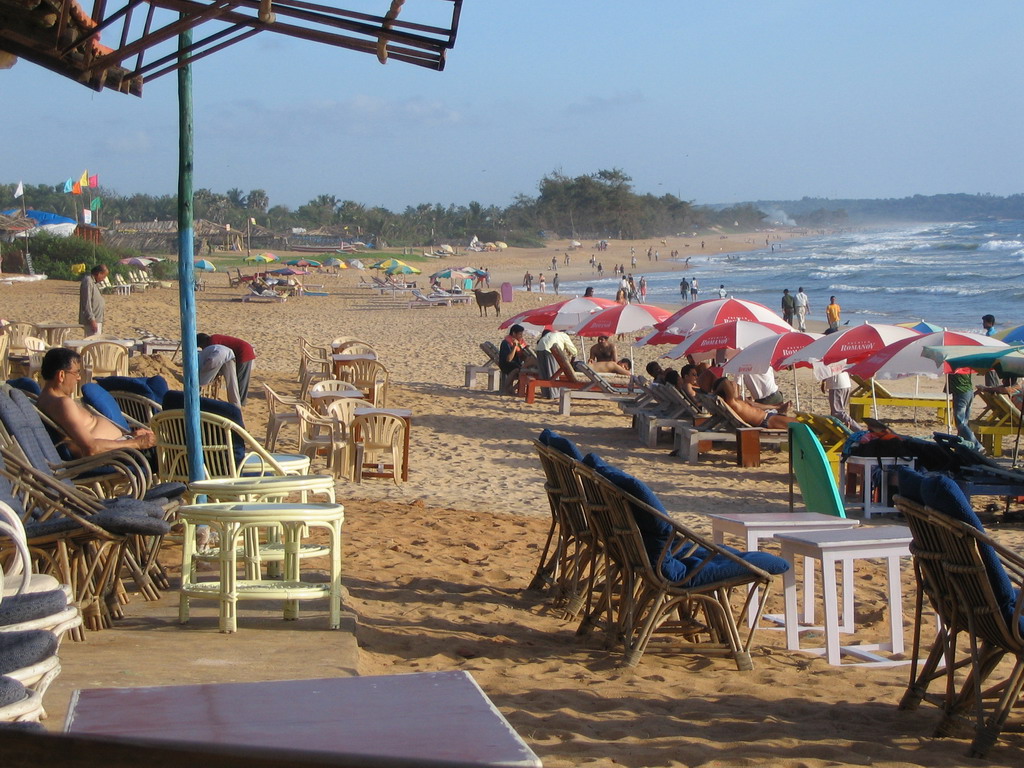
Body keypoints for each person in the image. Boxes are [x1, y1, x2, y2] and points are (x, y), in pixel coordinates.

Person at [36, 347, 156, 458]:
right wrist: (136, 443)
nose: (78, 378)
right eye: (76, 372)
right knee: (169, 447)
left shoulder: (43, 400)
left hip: (118, 449)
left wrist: (130, 437)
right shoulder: (62, 403)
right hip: (115, 457)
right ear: (61, 375)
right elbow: (90, 447)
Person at [714, 377, 796, 429]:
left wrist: (777, 407)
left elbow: (754, 405)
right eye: (730, 383)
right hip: (766, 420)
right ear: (727, 390)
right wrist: (718, 388)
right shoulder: (732, 403)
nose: (733, 383)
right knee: (800, 425)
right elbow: (724, 382)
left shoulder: (737, 401)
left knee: (799, 422)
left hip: (768, 416)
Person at [197, 333, 256, 405]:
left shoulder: (212, 343)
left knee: (240, 379)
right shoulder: (213, 339)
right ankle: (237, 402)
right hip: (233, 354)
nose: (203, 348)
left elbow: (217, 359)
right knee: (235, 380)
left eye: (201, 346)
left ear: (203, 342)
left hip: (243, 353)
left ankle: (241, 402)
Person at [198, 342, 242, 408]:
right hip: (229, 353)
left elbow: (209, 365)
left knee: (201, 380)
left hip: (218, 355)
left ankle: (198, 394)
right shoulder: (202, 353)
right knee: (232, 383)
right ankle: (236, 405)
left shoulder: (198, 358)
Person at [947, 367, 981, 450]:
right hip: (969, 392)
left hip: (960, 392)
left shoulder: (955, 365)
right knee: (964, 422)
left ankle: (977, 445)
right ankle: (962, 446)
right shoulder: (965, 364)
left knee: (960, 423)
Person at [498, 324, 528, 394]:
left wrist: (524, 350)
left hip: (516, 363)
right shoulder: (506, 343)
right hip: (506, 364)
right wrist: (514, 347)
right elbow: (509, 359)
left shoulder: (520, 343)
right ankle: (506, 388)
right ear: (514, 333)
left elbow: (523, 357)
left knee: (527, 371)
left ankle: (513, 388)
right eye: (520, 334)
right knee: (516, 369)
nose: (521, 336)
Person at [79, 264, 108, 336]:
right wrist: (92, 320)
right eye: (104, 276)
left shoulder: (93, 282)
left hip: (97, 319)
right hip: (92, 321)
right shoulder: (88, 281)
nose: (104, 279)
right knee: (93, 343)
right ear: (99, 274)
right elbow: (87, 302)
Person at [982, 314, 1000, 387]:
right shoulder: (994, 332)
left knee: (991, 383)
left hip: (991, 361)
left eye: (984, 322)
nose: (983, 324)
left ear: (989, 323)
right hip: (995, 360)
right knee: (994, 381)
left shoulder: (990, 334)